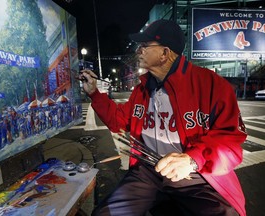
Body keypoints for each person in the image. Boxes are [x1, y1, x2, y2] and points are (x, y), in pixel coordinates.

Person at [80, 19, 247, 216]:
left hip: (195, 173)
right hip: (148, 170)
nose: (138, 51)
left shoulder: (211, 84)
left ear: (165, 53)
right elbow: (118, 121)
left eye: (144, 46)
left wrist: (191, 160)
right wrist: (94, 94)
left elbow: (231, 142)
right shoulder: (142, 90)